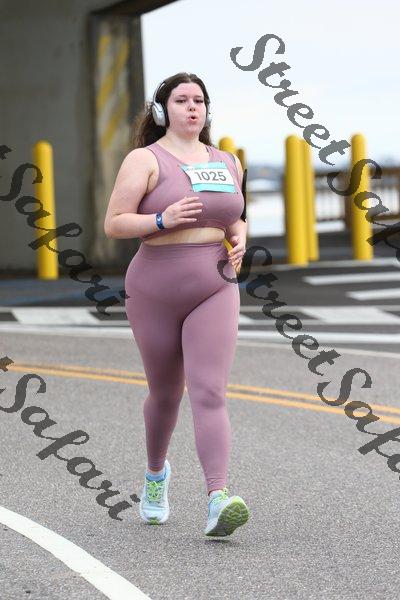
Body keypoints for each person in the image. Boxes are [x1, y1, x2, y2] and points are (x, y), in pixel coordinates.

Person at [104, 71, 250, 537]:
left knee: (209, 391)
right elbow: (114, 223)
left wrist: (240, 236)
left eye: (199, 101)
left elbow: (234, 215)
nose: (192, 108)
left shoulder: (227, 161)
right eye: (182, 100)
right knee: (166, 393)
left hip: (215, 283)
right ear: (162, 110)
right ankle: (155, 475)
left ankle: (217, 497)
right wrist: (162, 219)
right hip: (154, 289)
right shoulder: (145, 159)